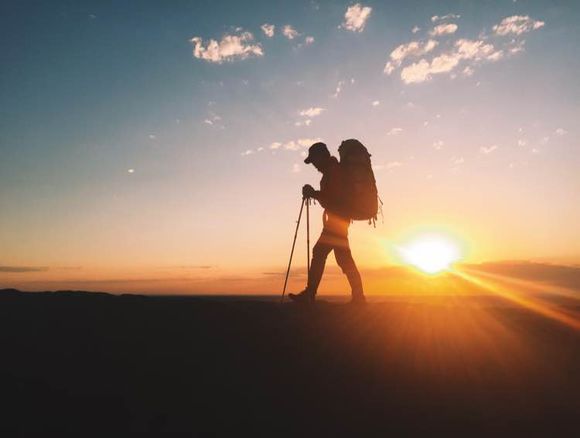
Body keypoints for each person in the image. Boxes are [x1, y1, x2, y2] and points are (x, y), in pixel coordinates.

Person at [289, 142, 366, 304]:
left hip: (338, 221)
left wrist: (314, 194)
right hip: (339, 220)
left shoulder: (334, 172)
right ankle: (359, 297)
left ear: (322, 156)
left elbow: (334, 199)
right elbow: (331, 199)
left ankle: (310, 294)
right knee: (343, 259)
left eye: (314, 160)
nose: (314, 165)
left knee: (320, 253)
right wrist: (316, 194)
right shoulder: (332, 172)